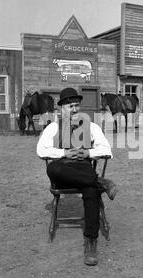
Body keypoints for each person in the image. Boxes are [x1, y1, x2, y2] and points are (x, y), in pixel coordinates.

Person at [37, 87, 117, 266]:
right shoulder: (53, 126)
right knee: (53, 170)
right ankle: (100, 182)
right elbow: (41, 150)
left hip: (83, 167)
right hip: (63, 169)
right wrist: (64, 153)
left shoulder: (92, 127)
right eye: (69, 106)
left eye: (76, 106)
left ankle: (91, 241)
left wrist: (88, 153)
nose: (74, 109)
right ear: (61, 109)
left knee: (90, 191)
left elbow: (106, 150)